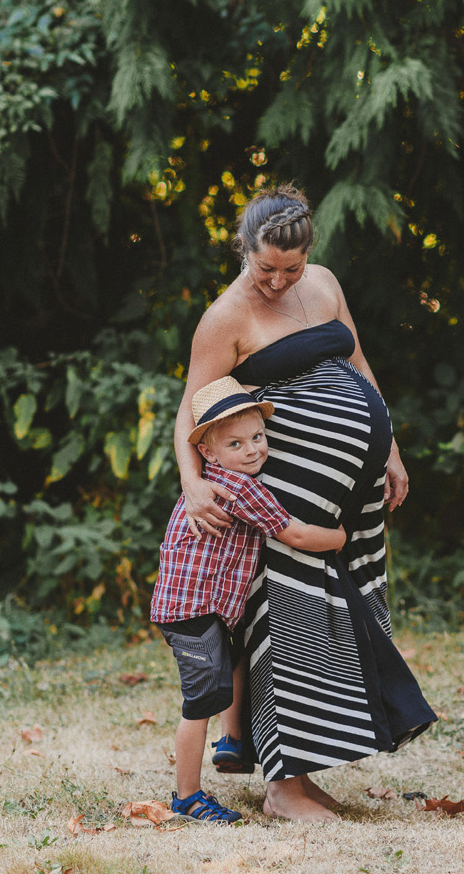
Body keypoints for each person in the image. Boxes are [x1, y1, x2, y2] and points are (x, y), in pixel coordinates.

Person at [174, 182, 436, 822]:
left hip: (349, 494)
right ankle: (283, 787)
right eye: (266, 268)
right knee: (293, 619)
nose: (278, 280)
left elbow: (359, 362)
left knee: (337, 617)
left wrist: (389, 446)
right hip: (283, 489)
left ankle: (304, 774)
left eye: (290, 268)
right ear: (244, 249)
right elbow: (192, 408)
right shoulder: (226, 317)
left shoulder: (322, 284)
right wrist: (193, 482)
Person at [150, 376, 347, 823]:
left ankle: (232, 741)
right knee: (199, 702)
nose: (253, 450)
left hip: (205, 608)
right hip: (193, 609)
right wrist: (340, 536)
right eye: (236, 444)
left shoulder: (223, 478)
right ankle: (187, 796)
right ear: (209, 453)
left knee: (237, 664)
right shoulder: (239, 487)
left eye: (258, 437)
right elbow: (293, 533)